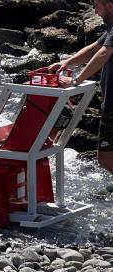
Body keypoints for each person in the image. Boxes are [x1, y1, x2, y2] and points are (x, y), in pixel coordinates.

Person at [48, 0, 113, 178]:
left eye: (97, 6)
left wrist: (75, 81)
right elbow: (95, 48)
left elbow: (103, 53)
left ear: (110, 6)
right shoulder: (110, 28)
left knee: (106, 158)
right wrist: (67, 62)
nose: (95, 10)